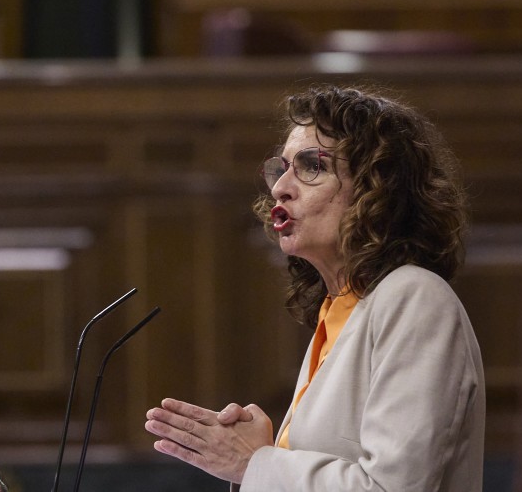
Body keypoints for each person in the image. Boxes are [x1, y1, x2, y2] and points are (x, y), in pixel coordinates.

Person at [144, 85, 486, 491]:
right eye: (282, 169)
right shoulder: (341, 308)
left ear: (377, 187)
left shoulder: (415, 298)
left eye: (312, 166)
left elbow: (390, 488)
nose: (280, 187)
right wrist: (264, 456)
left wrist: (254, 463)